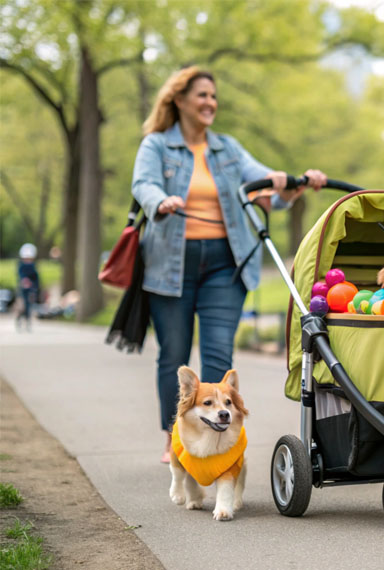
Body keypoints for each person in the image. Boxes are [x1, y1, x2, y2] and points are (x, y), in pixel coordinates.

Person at [132, 67, 327, 463]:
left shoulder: (228, 149)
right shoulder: (157, 145)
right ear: (179, 100)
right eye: (202, 95)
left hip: (226, 265)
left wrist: (294, 183)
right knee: (174, 355)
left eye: (213, 96)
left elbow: (266, 186)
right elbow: (143, 185)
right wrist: (160, 201)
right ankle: (175, 438)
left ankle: (215, 443)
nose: (210, 102)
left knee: (219, 357)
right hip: (170, 266)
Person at [16, 243, 40, 332]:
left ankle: (27, 320)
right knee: (22, 305)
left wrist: (35, 286)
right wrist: (24, 281)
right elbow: (21, 275)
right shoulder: (21, 266)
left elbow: (36, 278)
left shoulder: (33, 266)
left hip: (31, 289)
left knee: (29, 306)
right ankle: (20, 318)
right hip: (23, 289)